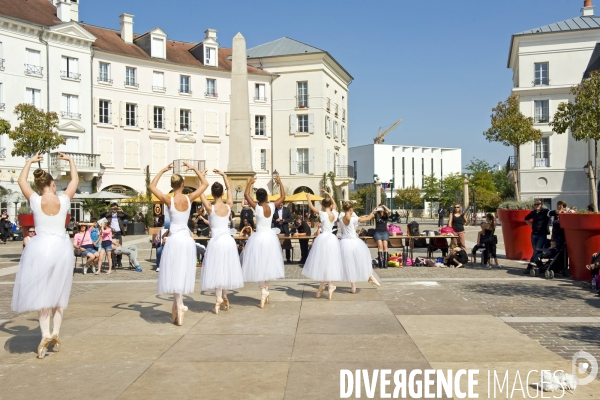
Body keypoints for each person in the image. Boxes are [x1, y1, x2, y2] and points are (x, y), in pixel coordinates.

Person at [12, 151, 78, 359]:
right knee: (59, 294)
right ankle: (56, 335)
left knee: (42, 294)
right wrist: (70, 161)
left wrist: (30, 162)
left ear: (39, 186)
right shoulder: (64, 200)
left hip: (40, 248)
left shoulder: (34, 200)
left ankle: (44, 336)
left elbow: (21, 180)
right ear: (51, 184)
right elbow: (75, 179)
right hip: (60, 248)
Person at [150, 162, 208, 326]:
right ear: (183, 184)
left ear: (172, 185)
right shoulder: (189, 198)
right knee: (181, 273)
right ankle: (178, 305)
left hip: (174, 239)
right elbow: (205, 184)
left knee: (175, 272)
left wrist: (162, 169)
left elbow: (151, 186)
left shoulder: (168, 200)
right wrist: (195, 170)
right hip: (186, 240)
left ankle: (179, 305)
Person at [200, 170, 244, 314]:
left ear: (212, 194)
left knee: (216, 269)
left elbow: (200, 192)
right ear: (222, 194)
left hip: (216, 241)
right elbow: (230, 189)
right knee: (225, 268)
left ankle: (219, 297)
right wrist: (224, 176)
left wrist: (202, 178)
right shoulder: (228, 205)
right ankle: (224, 296)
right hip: (228, 240)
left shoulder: (209, 207)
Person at [241, 175, 286, 308]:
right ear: (266, 196)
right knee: (268, 264)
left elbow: (245, 194)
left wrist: (250, 183)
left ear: (258, 198)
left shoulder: (257, 207)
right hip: (270, 237)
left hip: (259, 237)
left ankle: (263, 292)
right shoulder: (272, 206)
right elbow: (283, 197)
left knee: (259, 264)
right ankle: (266, 289)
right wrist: (280, 182)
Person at [302, 190, 344, 299]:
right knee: (329, 262)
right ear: (330, 205)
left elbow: (311, 207)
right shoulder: (334, 213)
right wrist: (329, 194)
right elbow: (335, 205)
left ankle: (323, 285)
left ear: (322, 205)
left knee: (322, 261)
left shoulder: (323, 213)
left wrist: (308, 197)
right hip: (331, 239)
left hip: (323, 238)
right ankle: (329, 286)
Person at [339, 202, 381, 293]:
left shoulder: (340, 218)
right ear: (351, 210)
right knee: (361, 260)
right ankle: (370, 276)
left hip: (344, 243)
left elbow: (355, 216)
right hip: (354, 242)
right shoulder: (353, 219)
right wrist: (373, 212)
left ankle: (353, 287)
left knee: (349, 264)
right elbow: (368, 218)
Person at [524, 199, 551, 273]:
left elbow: (551, 213)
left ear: (541, 204)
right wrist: (531, 225)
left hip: (542, 235)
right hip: (534, 234)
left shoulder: (545, 211)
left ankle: (529, 267)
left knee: (537, 250)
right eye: (535, 204)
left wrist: (558, 211)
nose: (537, 206)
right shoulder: (533, 213)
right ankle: (539, 264)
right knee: (535, 251)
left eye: (538, 204)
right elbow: (526, 218)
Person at [100, 202, 129, 268]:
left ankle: (119, 262)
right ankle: (113, 262)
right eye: (113, 208)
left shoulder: (120, 216)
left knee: (119, 247)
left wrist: (122, 211)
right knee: (111, 248)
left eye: (115, 208)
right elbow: (101, 215)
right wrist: (108, 210)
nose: (114, 209)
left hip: (118, 233)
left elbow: (127, 215)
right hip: (111, 234)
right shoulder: (108, 215)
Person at [373, 203, 391, 268]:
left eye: (382, 208)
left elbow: (389, 211)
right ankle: (381, 264)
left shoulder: (386, 215)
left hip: (385, 232)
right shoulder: (376, 215)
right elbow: (371, 214)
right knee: (380, 247)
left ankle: (385, 263)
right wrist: (376, 209)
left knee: (385, 247)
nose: (381, 209)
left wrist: (384, 206)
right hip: (377, 232)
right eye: (380, 208)